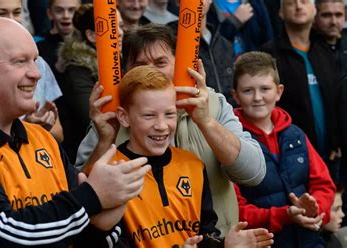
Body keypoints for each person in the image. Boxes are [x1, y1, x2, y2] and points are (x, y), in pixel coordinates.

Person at [0, 17, 151, 247]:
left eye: (34, 61)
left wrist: (99, 227)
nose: (36, 74)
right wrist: (92, 197)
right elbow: (1, 235)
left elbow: (70, 231)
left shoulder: (43, 137)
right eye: (20, 62)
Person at [76, 23, 266, 237]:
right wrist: (104, 139)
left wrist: (206, 122)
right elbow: (81, 199)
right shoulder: (112, 114)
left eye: (161, 62)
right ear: (125, 71)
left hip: (216, 240)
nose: (151, 71)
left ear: (178, 63)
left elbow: (254, 174)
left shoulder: (212, 103)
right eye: (140, 64)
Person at [110, 64, 274, 247]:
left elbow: (205, 235)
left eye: (170, 114)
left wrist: (225, 245)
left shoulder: (193, 165)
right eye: (149, 116)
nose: (162, 125)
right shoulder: (111, 173)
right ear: (124, 117)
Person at [231, 51, 336, 247]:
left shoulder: (296, 134)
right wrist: (284, 215)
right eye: (247, 91)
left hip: (309, 239)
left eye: (265, 89)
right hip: (266, 242)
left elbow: (324, 184)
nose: (257, 97)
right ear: (235, 96)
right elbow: (235, 209)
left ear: (278, 92)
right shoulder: (231, 142)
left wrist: (314, 209)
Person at [262, 0, 342, 182]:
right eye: (291, 3)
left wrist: (337, 140)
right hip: (291, 157)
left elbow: (337, 100)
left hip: (330, 157)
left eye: (304, 1)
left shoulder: (326, 51)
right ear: (281, 12)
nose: (298, 6)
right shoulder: (269, 54)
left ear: (314, 9)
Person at [0, 0, 64, 142]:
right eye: (2, 13)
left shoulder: (39, 64)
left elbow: (59, 135)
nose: (12, 20)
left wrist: (41, 125)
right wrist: (24, 127)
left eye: (16, 13)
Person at [59, 3, 124, 162]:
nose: (120, 33)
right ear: (92, 35)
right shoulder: (77, 71)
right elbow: (88, 120)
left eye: (121, 26)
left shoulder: (124, 62)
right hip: (86, 155)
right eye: (113, 28)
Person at [207, 0, 273, 55]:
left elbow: (268, 42)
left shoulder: (255, 3)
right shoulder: (207, 5)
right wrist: (234, 21)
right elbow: (210, 44)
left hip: (253, 66)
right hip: (222, 66)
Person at [313, 0, 347, 75]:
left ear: (345, 16)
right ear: (314, 17)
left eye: (338, 15)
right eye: (326, 15)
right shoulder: (306, 47)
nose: (333, 22)